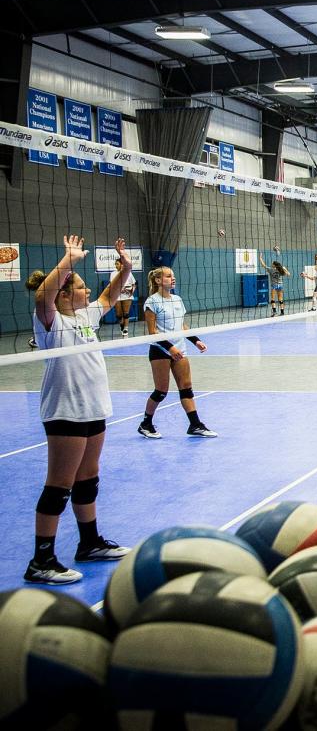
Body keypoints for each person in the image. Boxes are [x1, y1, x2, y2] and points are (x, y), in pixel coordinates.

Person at [24, 235, 132, 584]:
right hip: (65, 410)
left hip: (93, 408)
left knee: (88, 478)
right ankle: (42, 560)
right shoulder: (50, 322)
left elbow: (109, 296)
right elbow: (44, 296)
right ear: (65, 294)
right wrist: (68, 260)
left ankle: (89, 543)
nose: (88, 292)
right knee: (59, 484)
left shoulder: (85, 315)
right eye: (81, 287)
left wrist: (127, 268)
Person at [139, 266, 216, 440]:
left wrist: (195, 340)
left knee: (186, 388)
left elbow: (182, 326)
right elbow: (152, 331)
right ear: (158, 281)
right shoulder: (152, 302)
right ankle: (146, 424)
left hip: (179, 348)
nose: (172, 279)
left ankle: (195, 425)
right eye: (168, 276)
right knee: (161, 391)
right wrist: (170, 348)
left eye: (173, 276)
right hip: (160, 350)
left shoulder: (177, 299)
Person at [109, 257, 136, 337]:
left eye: (117, 264)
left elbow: (134, 284)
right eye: (115, 264)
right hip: (117, 295)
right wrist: (118, 288)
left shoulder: (128, 273)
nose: (116, 266)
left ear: (122, 264)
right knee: (118, 314)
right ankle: (122, 326)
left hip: (127, 295)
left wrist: (130, 291)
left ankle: (126, 328)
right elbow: (112, 285)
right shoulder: (113, 273)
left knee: (126, 313)